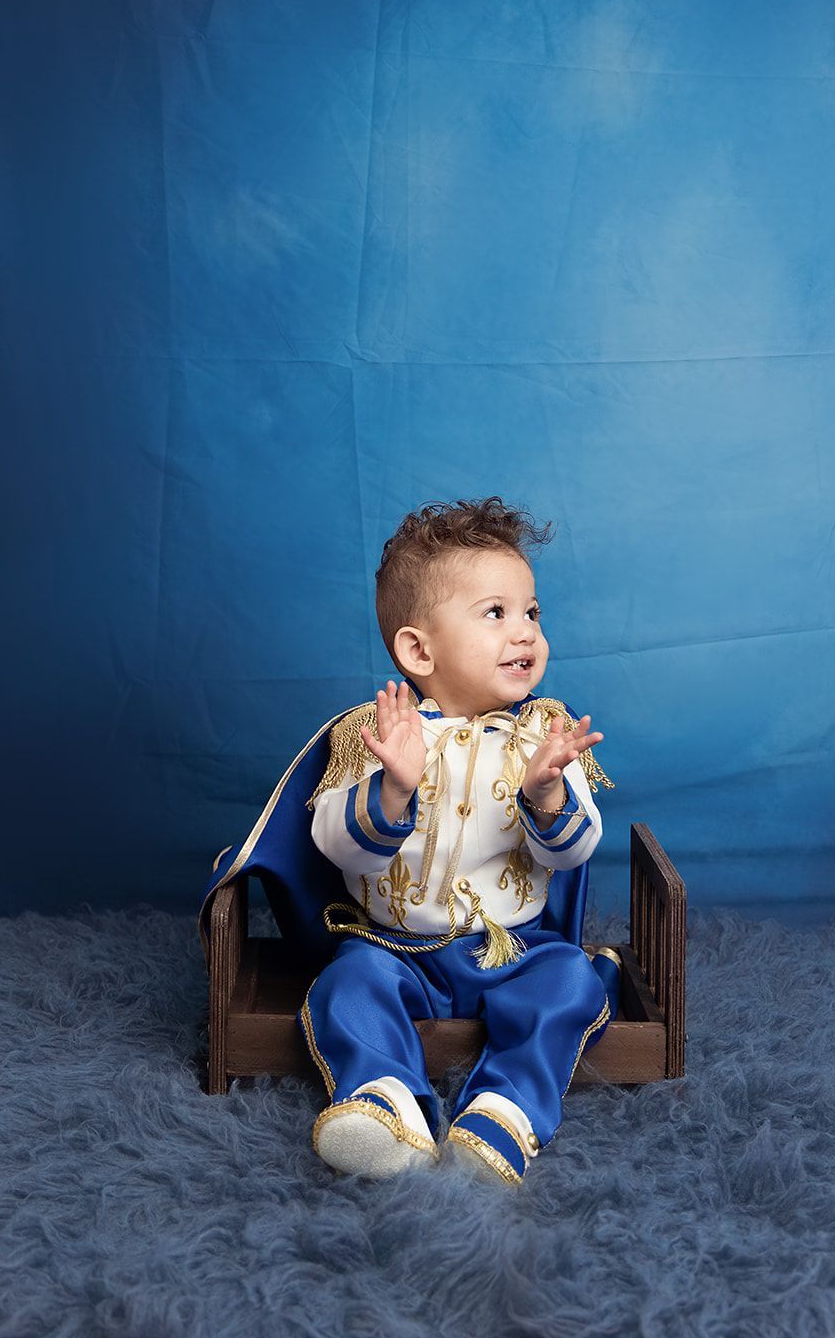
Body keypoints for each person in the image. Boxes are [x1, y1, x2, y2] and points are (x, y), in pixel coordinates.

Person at [300, 496, 616, 1186]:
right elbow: (334, 842)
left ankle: (503, 1112)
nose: (524, 633)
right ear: (418, 648)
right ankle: (383, 1105)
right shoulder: (378, 734)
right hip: (397, 948)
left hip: (512, 950)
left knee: (571, 982)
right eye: (495, 613)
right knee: (346, 984)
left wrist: (547, 795)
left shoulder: (545, 736)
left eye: (531, 613)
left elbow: (575, 849)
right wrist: (392, 789)